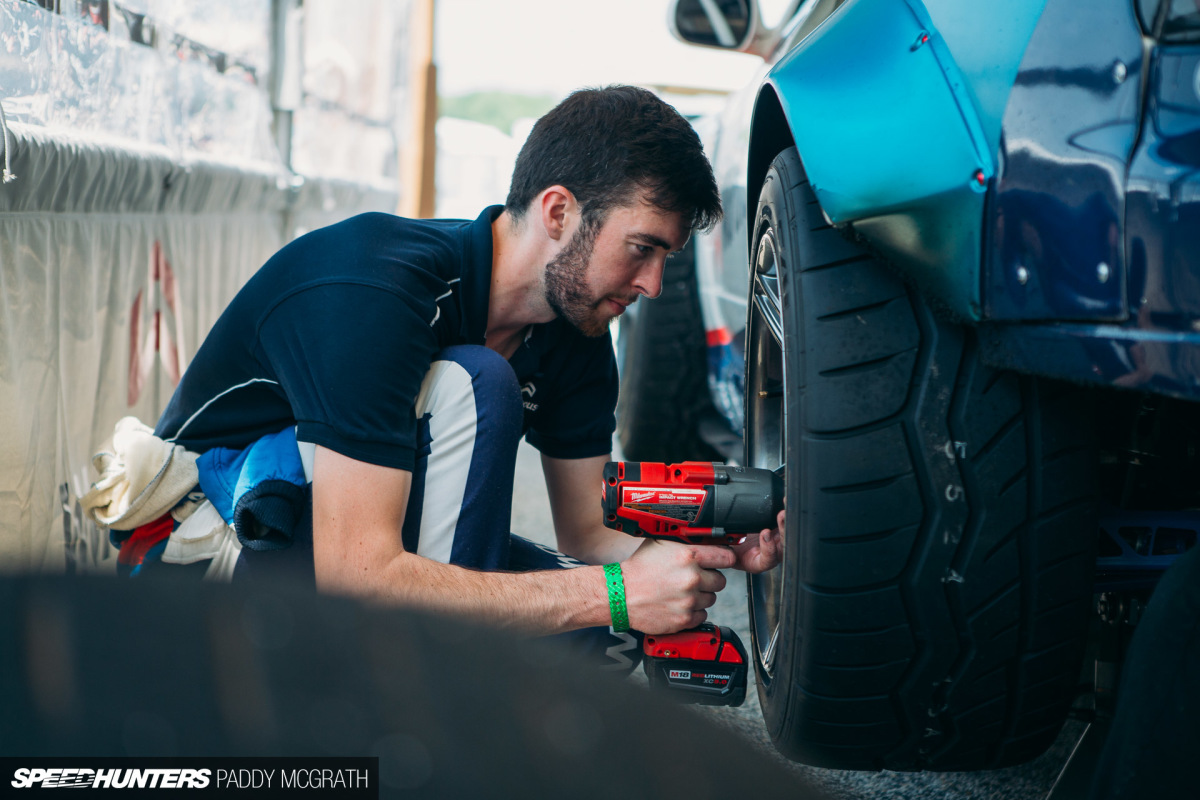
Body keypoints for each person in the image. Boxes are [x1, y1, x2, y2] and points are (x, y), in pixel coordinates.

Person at [150, 85, 783, 643]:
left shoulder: (577, 330)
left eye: (665, 258)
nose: (654, 285)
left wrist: (714, 551)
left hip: (348, 542)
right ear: (559, 211)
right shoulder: (376, 295)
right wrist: (612, 595)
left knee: (602, 642)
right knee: (479, 385)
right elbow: (359, 578)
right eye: (642, 249)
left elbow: (588, 534)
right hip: (209, 546)